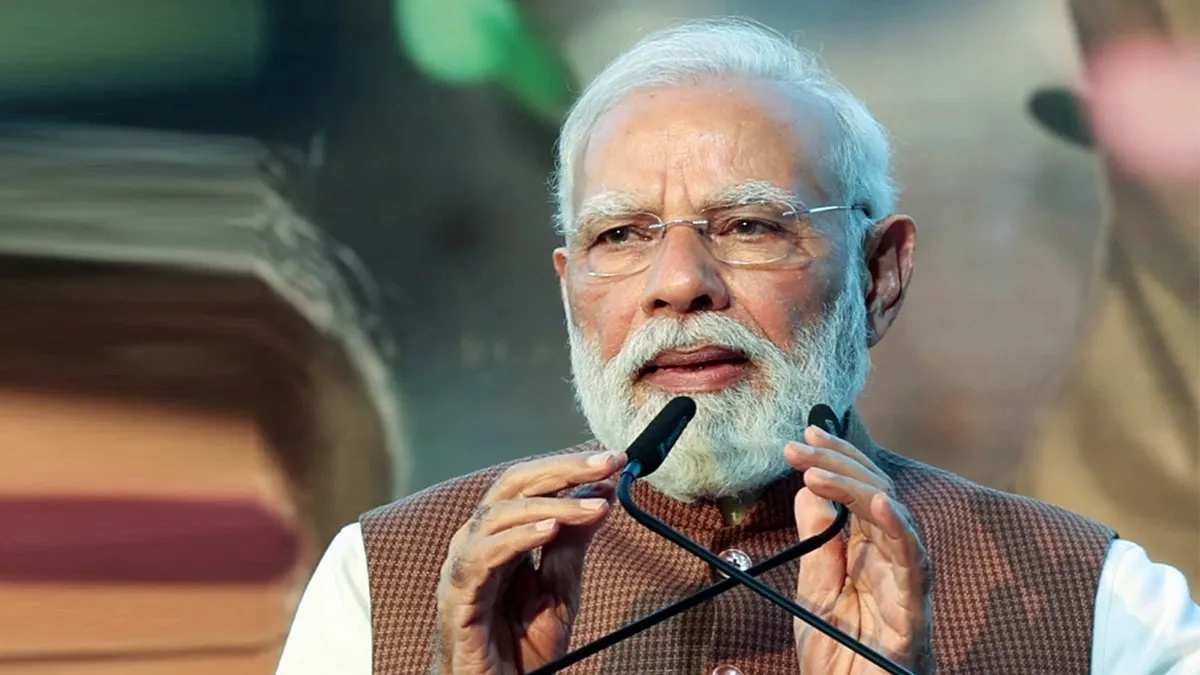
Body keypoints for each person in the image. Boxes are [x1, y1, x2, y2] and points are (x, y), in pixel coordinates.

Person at [275, 18, 1199, 675]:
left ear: (879, 274)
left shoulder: (1101, 602)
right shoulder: (381, 583)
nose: (679, 281)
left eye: (750, 225)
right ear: (569, 290)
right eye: (621, 235)